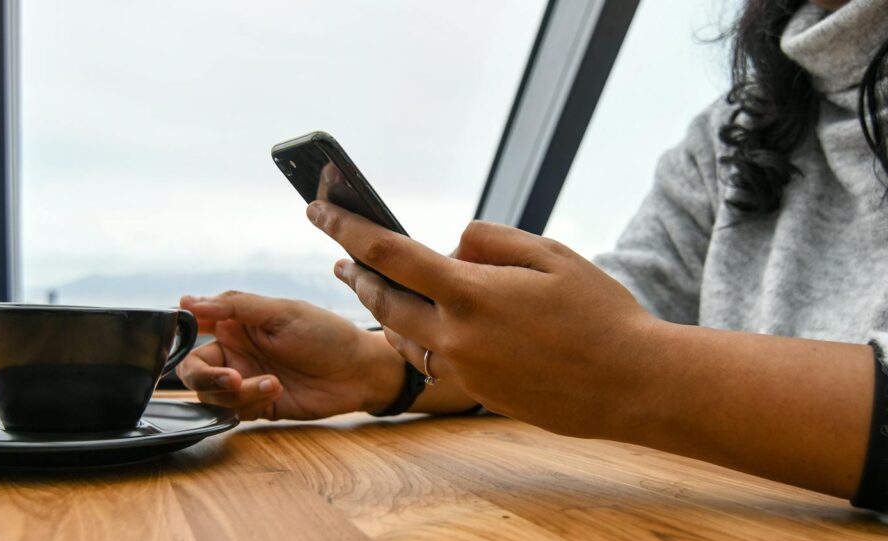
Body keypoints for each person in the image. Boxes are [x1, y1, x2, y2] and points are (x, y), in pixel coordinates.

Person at [177, 0, 888, 511]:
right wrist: (382, 367)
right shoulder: (733, 130)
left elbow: (623, 355)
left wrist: (631, 368)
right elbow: (614, 325)